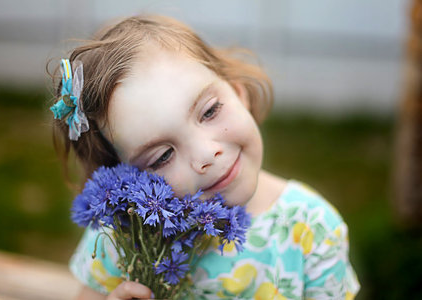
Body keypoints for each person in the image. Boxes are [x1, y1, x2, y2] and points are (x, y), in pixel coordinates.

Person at [49, 15, 360, 299]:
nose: (207, 154)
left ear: (239, 93)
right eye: (163, 155)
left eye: (209, 111)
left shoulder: (312, 229)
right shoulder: (127, 240)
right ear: (125, 182)